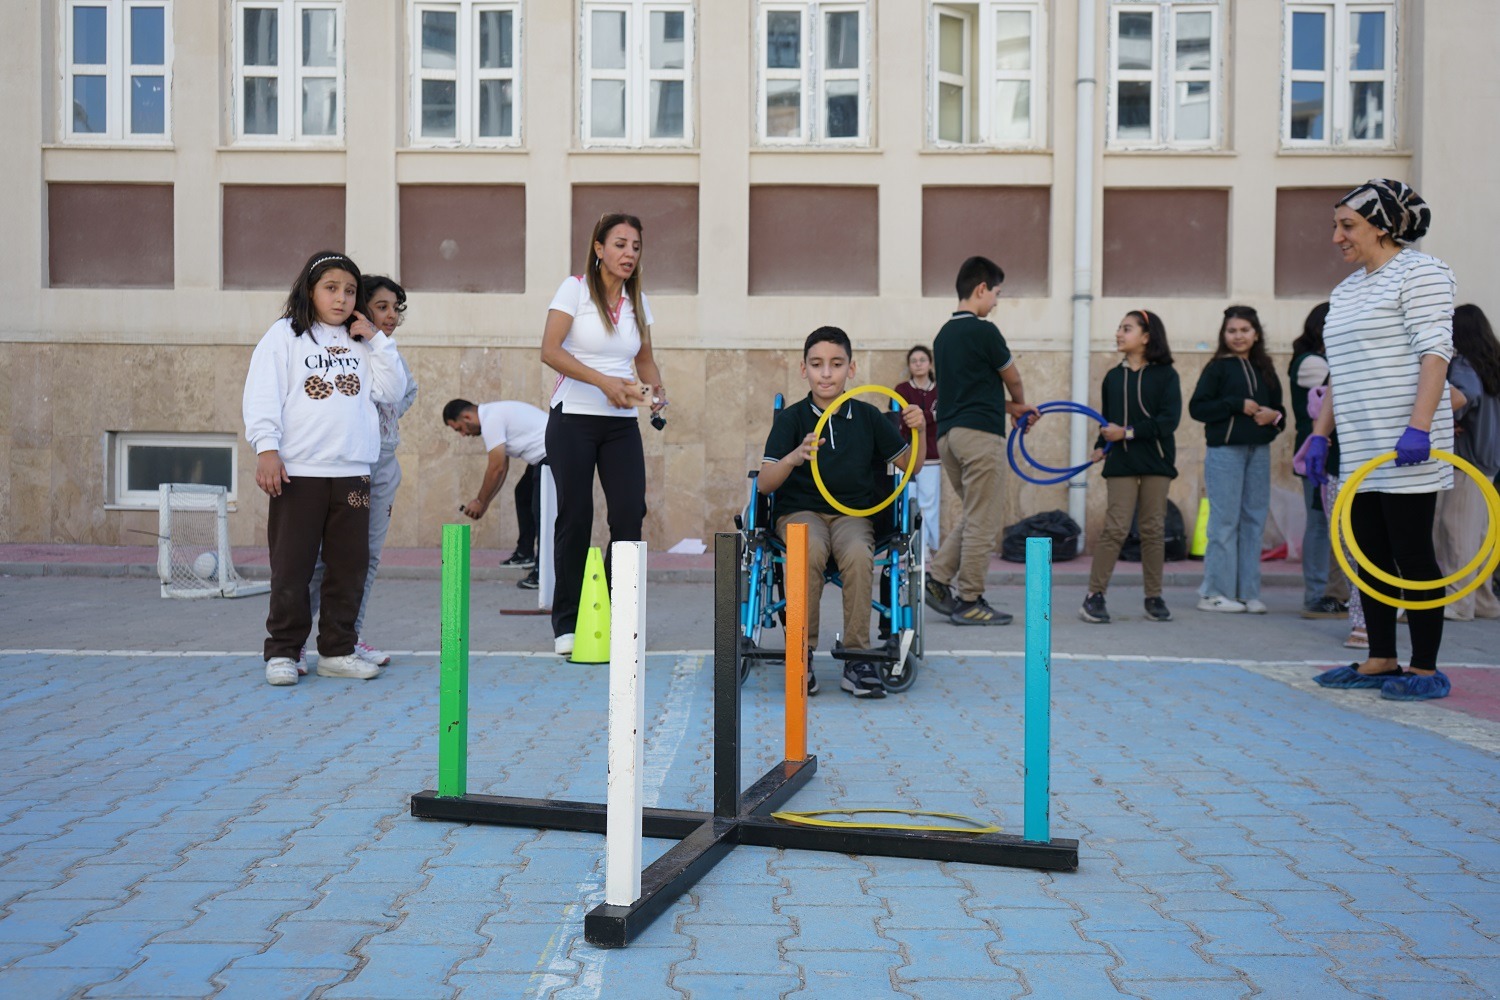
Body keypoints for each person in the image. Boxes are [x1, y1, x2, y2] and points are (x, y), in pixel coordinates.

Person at [1307, 179, 1456, 701]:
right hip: (1362, 447)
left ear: (1384, 224)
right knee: (1367, 554)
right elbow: (1340, 376)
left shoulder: (1422, 273)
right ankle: (1380, 657)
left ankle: (1424, 668)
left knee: (1411, 552)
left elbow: (1435, 354)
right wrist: (1319, 436)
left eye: (1347, 226)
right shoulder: (1345, 292)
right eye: (1336, 226)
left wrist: (1418, 426)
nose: (1337, 238)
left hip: (1409, 444)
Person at [242, 250, 408, 687]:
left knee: (348, 566)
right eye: (331, 288)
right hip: (300, 472)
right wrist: (266, 449)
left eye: (349, 291)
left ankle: (337, 650)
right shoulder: (285, 335)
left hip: (353, 470)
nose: (340, 298)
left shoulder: (362, 340)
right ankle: (281, 652)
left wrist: (376, 338)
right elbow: (262, 395)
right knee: (293, 566)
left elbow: (393, 389)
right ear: (310, 290)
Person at [760, 326, 925, 698]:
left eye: (836, 364)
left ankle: (856, 656)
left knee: (856, 553)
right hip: (801, 512)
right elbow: (765, 484)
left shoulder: (869, 417)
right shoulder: (791, 419)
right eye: (817, 364)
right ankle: (801, 653)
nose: (826, 373)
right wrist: (793, 457)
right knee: (809, 549)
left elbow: (911, 467)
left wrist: (922, 428)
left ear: (851, 369)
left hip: (854, 514)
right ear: (804, 369)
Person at [542, 212, 667, 655]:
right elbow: (550, 351)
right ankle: (568, 623)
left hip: (621, 427)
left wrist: (656, 391)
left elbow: (645, 359)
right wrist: (605, 383)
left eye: (635, 245)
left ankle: (616, 613)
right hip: (572, 418)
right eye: (619, 244)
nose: (629, 253)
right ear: (598, 248)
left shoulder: (639, 302)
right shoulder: (573, 289)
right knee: (575, 518)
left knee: (629, 517)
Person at [923, 256, 1041, 626]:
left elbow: (966, 393)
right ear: (980, 289)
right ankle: (970, 599)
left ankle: (937, 580)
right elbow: (1012, 376)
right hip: (979, 438)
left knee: (976, 514)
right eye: (996, 294)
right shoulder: (985, 331)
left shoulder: (942, 336)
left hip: (949, 438)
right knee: (984, 521)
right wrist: (1021, 403)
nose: (996, 302)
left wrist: (1009, 409)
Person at [307, 275, 418, 667]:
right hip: (351, 463)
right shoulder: (344, 349)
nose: (390, 316)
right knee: (326, 557)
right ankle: (294, 642)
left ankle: (348, 638)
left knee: (367, 556)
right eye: (381, 307)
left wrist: (384, 421)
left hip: (384, 462)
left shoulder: (387, 349)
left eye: (395, 309)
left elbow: (408, 389)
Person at [1080, 309, 1181, 625]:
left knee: (1153, 529)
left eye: (1127, 328)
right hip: (1121, 462)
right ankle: (1094, 596)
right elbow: (1106, 421)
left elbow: (1168, 421)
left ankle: (1154, 596)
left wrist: (1128, 433)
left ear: (1147, 337)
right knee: (1116, 528)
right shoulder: (1113, 377)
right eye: (1119, 328)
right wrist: (1100, 447)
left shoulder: (1166, 375)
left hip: (1157, 461)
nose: (1119, 334)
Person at [1189, 306, 1284, 613]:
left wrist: (1275, 417)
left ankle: (1247, 592)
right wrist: (1235, 404)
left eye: (1244, 330)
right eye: (1232, 331)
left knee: (1254, 521)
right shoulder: (1217, 368)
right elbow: (1198, 408)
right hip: (1225, 452)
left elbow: (1279, 411)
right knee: (1224, 522)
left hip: (1258, 452)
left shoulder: (1265, 368)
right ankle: (1214, 593)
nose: (1238, 336)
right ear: (1224, 334)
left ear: (1256, 334)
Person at [1433, 304, 1500, 621]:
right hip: (1489, 462)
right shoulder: (1492, 364)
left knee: (1456, 532)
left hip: (1465, 461)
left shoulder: (1463, 364)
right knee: (1481, 537)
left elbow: (1462, 395)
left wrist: (1441, 417)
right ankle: (1484, 602)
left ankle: (1459, 602)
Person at [443, 399, 548, 590]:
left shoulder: (491, 419)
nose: (464, 434)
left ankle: (544, 573)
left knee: (541, 510)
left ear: (467, 417)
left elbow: (496, 467)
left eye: (460, 429)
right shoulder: (494, 414)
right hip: (544, 456)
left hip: (552, 454)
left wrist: (480, 501)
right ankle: (525, 554)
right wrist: (485, 503)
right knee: (523, 494)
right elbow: (502, 468)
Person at [1288, 302, 1348, 620]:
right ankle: (1318, 594)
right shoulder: (1313, 362)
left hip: (1325, 451)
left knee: (1326, 524)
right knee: (1319, 524)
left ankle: (1327, 593)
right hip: (1317, 453)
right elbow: (1321, 409)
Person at [894, 345, 941, 555]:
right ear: (909, 365)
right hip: (906, 454)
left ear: (930, 363)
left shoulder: (940, 390)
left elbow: (944, 413)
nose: (919, 364)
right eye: (914, 360)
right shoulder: (902, 389)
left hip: (932, 456)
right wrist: (930, 416)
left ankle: (929, 547)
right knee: (908, 502)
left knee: (929, 504)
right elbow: (901, 418)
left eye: (923, 359)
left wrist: (920, 417)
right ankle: (910, 549)